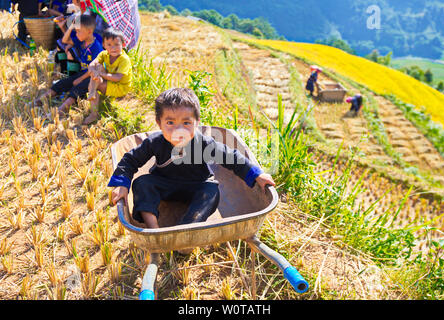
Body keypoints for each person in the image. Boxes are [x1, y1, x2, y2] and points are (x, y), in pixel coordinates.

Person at [108, 88, 276, 229]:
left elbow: (231, 157)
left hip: (197, 185)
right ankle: (154, 229)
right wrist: (122, 184)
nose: (178, 129)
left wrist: (256, 174)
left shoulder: (203, 143)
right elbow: (130, 159)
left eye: (186, 123)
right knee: (142, 183)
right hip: (164, 183)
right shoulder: (155, 142)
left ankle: (188, 228)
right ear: (159, 123)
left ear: (197, 123)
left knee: (211, 191)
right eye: (170, 123)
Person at [33, 12, 103, 116]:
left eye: (79, 31)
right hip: (83, 73)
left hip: (93, 76)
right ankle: (40, 100)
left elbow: (97, 69)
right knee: (63, 83)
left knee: (76, 89)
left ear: (89, 31)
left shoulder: (96, 47)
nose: (77, 33)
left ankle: (61, 110)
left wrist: (80, 79)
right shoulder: (81, 41)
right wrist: (69, 28)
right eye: (76, 31)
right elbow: (65, 40)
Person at [83, 28, 132, 124]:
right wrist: (94, 70)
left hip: (120, 86)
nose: (113, 48)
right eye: (109, 45)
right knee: (98, 66)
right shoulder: (104, 54)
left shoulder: (124, 59)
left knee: (96, 81)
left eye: (117, 44)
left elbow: (117, 78)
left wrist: (100, 74)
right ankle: (93, 91)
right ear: (104, 45)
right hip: (109, 80)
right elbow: (92, 65)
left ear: (123, 45)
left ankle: (94, 113)